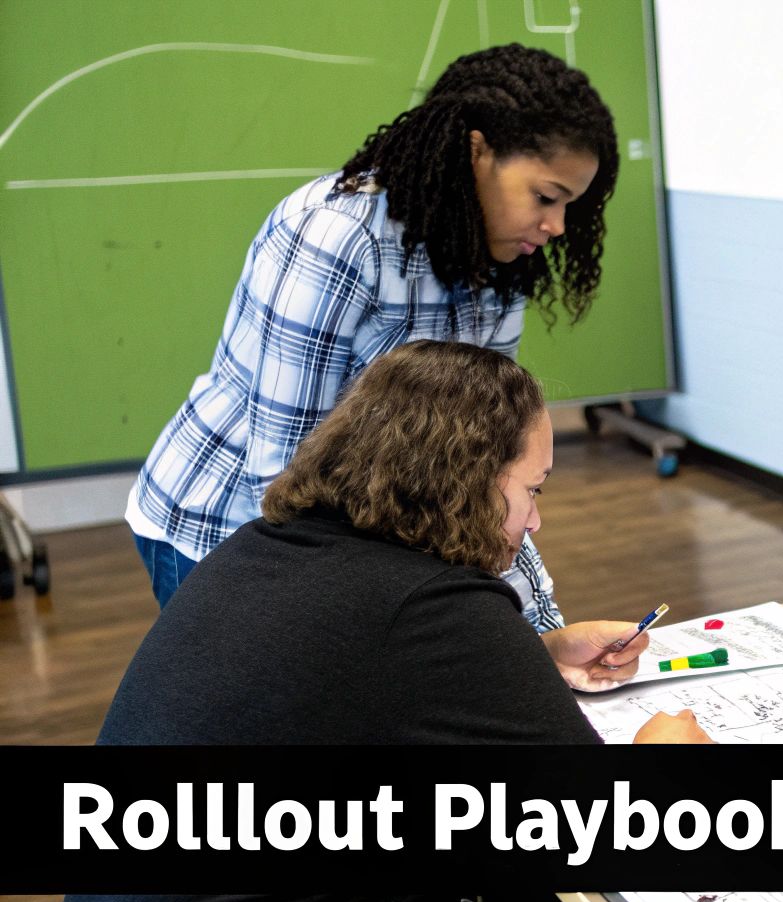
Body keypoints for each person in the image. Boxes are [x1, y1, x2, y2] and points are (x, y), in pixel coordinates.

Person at [50, 342, 708, 902]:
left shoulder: (260, 549)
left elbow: (364, 690)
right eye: (531, 490)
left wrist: (531, 657)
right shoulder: (435, 608)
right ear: (470, 479)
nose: (535, 521)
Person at [126, 43, 619, 633]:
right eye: (545, 197)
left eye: (571, 206)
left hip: (359, 531)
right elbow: (282, 479)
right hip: (222, 524)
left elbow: (490, 475)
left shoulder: (501, 265)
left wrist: (542, 633)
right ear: (476, 152)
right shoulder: (337, 236)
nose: (558, 226)